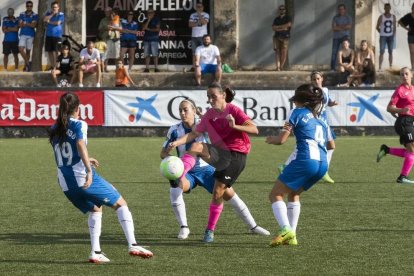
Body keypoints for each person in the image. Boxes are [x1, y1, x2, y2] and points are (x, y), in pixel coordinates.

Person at [48, 92, 153, 263]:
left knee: (96, 209)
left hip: (65, 184)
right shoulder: (79, 124)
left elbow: (64, 153)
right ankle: (133, 244)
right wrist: (89, 170)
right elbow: (79, 144)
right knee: (121, 204)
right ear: (78, 108)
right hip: (82, 178)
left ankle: (96, 252)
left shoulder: (54, 128)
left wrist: (86, 159)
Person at [161, 98, 269, 240]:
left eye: (185, 109)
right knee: (174, 185)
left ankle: (253, 226)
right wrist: (170, 159)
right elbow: (163, 154)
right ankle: (184, 227)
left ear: (194, 110)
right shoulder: (174, 130)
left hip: (206, 170)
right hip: (187, 172)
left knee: (229, 194)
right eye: (180, 110)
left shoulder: (203, 125)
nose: (182, 113)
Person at [265, 84, 328, 247]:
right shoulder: (321, 119)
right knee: (293, 194)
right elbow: (329, 144)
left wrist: (272, 139)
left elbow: (281, 140)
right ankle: (292, 236)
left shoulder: (297, 112)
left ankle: (285, 229)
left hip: (306, 160)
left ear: (300, 100)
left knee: (275, 195)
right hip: (323, 164)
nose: (294, 103)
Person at [279, 72, 337, 184]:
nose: (316, 81)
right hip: (314, 120)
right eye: (314, 79)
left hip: (323, 121)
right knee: (308, 143)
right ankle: (323, 171)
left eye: (318, 78)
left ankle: (286, 165)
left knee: (329, 146)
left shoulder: (324, 90)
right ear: (311, 81)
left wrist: (332, 103)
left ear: (322, 79)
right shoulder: (310, 93)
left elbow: (327, 101)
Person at [377, 67, 414, 184]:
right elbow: (389, 107)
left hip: (409, 122)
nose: (404, 76)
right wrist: (400, 110)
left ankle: (386, 150)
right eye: (402, 74)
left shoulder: (413, 89)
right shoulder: (400, 90)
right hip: (403, 122)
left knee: (411, 150)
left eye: (406, 74)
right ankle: (402, 177)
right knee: (412, 150)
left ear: (411, 75)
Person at [43, 1, 64, 70]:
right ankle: (53, 66)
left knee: (57, 52)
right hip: (49, 35)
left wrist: (49, 22)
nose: (54, 9)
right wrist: (52, 15)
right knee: (50, 51)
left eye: (55, 7)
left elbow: (57, 23)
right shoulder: (49, 13)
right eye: (53, 7)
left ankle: (58, 66)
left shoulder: (61, 14)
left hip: (57, 36)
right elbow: (44, 19)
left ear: (58, 8)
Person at [331, 4, 352, 71]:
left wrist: (339, 26)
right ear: (338, 10)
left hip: (345, 36)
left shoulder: (348, 17)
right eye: (339, 9)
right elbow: (334, 28)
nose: (341, 10)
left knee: (346, 51)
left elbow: (349, 26)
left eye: (342, 9)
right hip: (336, 37)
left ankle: (347, 66)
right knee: (334, 52)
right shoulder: (335, 17)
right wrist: (344, 27)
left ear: (345, 10)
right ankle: (332, 68)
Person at [18, 1, 38, 72]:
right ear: (26, 6)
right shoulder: (21, 14)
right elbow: (20, 25)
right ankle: (28, 63)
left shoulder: (35, 15)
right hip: (23, 34)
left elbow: (33, 25)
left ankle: (25, 67)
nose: (29, 7)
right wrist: (29, 23)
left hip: (31, 35)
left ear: (32, 6)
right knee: (20, 49)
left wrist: (25, 23)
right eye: (28, 6)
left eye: (30, 6)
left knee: (28, 51)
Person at [98, 7, 120, 72]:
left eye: (108, 12)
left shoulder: (117, 18)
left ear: (111, 12)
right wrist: (106, 28)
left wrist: (114, 27)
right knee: (106, 55)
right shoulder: (103, 20)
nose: (107, 13)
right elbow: (99, 29)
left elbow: (120, 28)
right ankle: (105, 68)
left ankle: (117, 68)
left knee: (116, 54)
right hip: (106, 39)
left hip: (115, 39)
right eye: (105, 12)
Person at [189, 2, 209, 70]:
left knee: (203, 52)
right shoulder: (192, 15)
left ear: (203, 7)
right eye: (197, 7)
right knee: (194, 52)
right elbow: (190, 25)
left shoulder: (206, 14)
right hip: (194, 36)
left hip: (202, 36)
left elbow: (204, 22)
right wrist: (198, 23)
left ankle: (202, 66)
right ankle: (194, 67)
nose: (198, 8)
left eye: (200, 7)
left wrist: (199, 14)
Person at [272, 5, 292, 71]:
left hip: (285, 37)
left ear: (285, 10)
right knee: (277, 51)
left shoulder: (287, 18)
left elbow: (288, 25)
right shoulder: (276, 19)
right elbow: (273, 28)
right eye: (280, 9)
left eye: (283, 9)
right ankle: (277, 67)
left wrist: (278, 27)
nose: (282, 10)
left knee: (284, 52)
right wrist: (283, 28)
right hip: (277, 37)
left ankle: (281, 66)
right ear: (279, 10)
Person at [376, 3, 396, 71]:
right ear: (384, 8)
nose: (387, 9)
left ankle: (390, 66)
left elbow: (394, 27)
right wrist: (382, 33)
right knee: (382, 51)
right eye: (386, 8)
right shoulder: (381, 17)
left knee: (390, 52)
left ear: (390, 8)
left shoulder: (393, 16)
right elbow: (377, 27)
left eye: (388, 8)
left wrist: (393, 35)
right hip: (383, 37)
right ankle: (380, 67)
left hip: (390, 36)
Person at [142, 8, 160, 73]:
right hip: (146, 39)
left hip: (154, 39)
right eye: (148, 13)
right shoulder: (145, 20)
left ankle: (156, 68)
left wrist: (149, 29)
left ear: (153, 13)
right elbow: (143, 29)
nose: (150, 14)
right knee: (147, 54)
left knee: (155, 54)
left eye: (151, 12)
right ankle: (147, 68)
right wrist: (148, 20)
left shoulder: (156, 20)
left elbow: (158, 29)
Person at [398, 4, 414, 70]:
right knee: (412, 52)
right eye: (413, 7)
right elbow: (400, 21)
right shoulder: (409, 16)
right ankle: (413, 67)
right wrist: (406, 28)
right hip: (411, 35)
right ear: (412, 8)